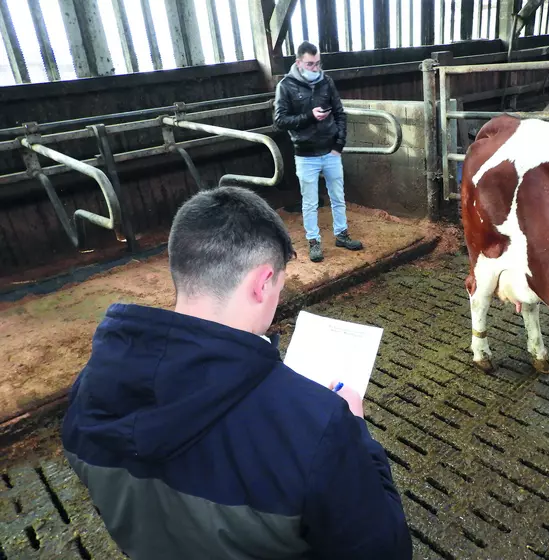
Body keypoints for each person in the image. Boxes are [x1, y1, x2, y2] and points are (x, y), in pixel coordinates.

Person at [61, 187, 412, 560]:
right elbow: (386, 549)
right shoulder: (322, 424)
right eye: (279, 283)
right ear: (262, 283)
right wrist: (356, 433)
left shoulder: (87, 391)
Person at [274, 41, 363, 263]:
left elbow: (340, 114)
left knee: (338, 197)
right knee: (310, 201)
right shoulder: (286, 86)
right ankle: (314, 241)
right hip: (305, 155)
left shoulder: (326, 82)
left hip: (330, 151)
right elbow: (279, 120)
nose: (315, 68)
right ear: (299, 62)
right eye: (310, 64)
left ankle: (341, 234)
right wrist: (309, 116)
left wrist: (338, 145)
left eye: (317, 63)